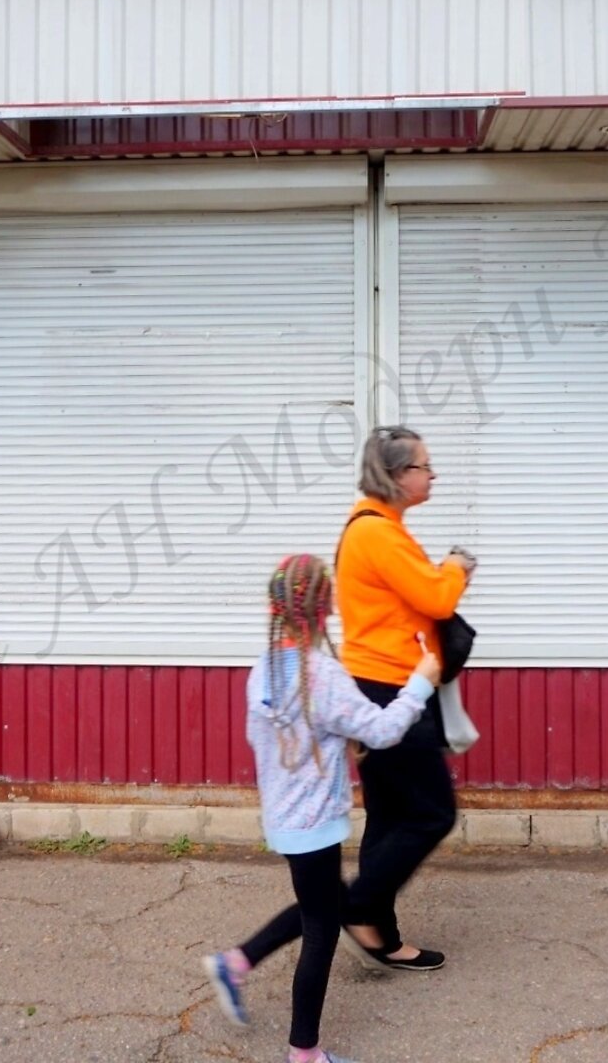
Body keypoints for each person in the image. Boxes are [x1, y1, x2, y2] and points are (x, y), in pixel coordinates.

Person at [202, 553, 441, 1063]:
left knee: (324, 902)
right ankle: (304, 1053)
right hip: (314, 823)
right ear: (325, 606)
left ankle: (236, 962)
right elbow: (381, 730)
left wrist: (330, 743)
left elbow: (264, 735)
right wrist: (421, 680)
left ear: (278, 606)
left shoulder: (262, 669)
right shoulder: (324, 673)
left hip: (283, 818)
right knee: (322, 928)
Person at [336, 425, 476, 973]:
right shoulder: (377, 532)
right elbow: (436, 598)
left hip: (379, 685)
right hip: (389, 688)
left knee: (392, 814)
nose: (432, 474)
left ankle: (379, 936)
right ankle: (359, 908)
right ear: (397, 476)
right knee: (431, 813)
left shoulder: (382, 527)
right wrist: (458, 567)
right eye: (424, 466)